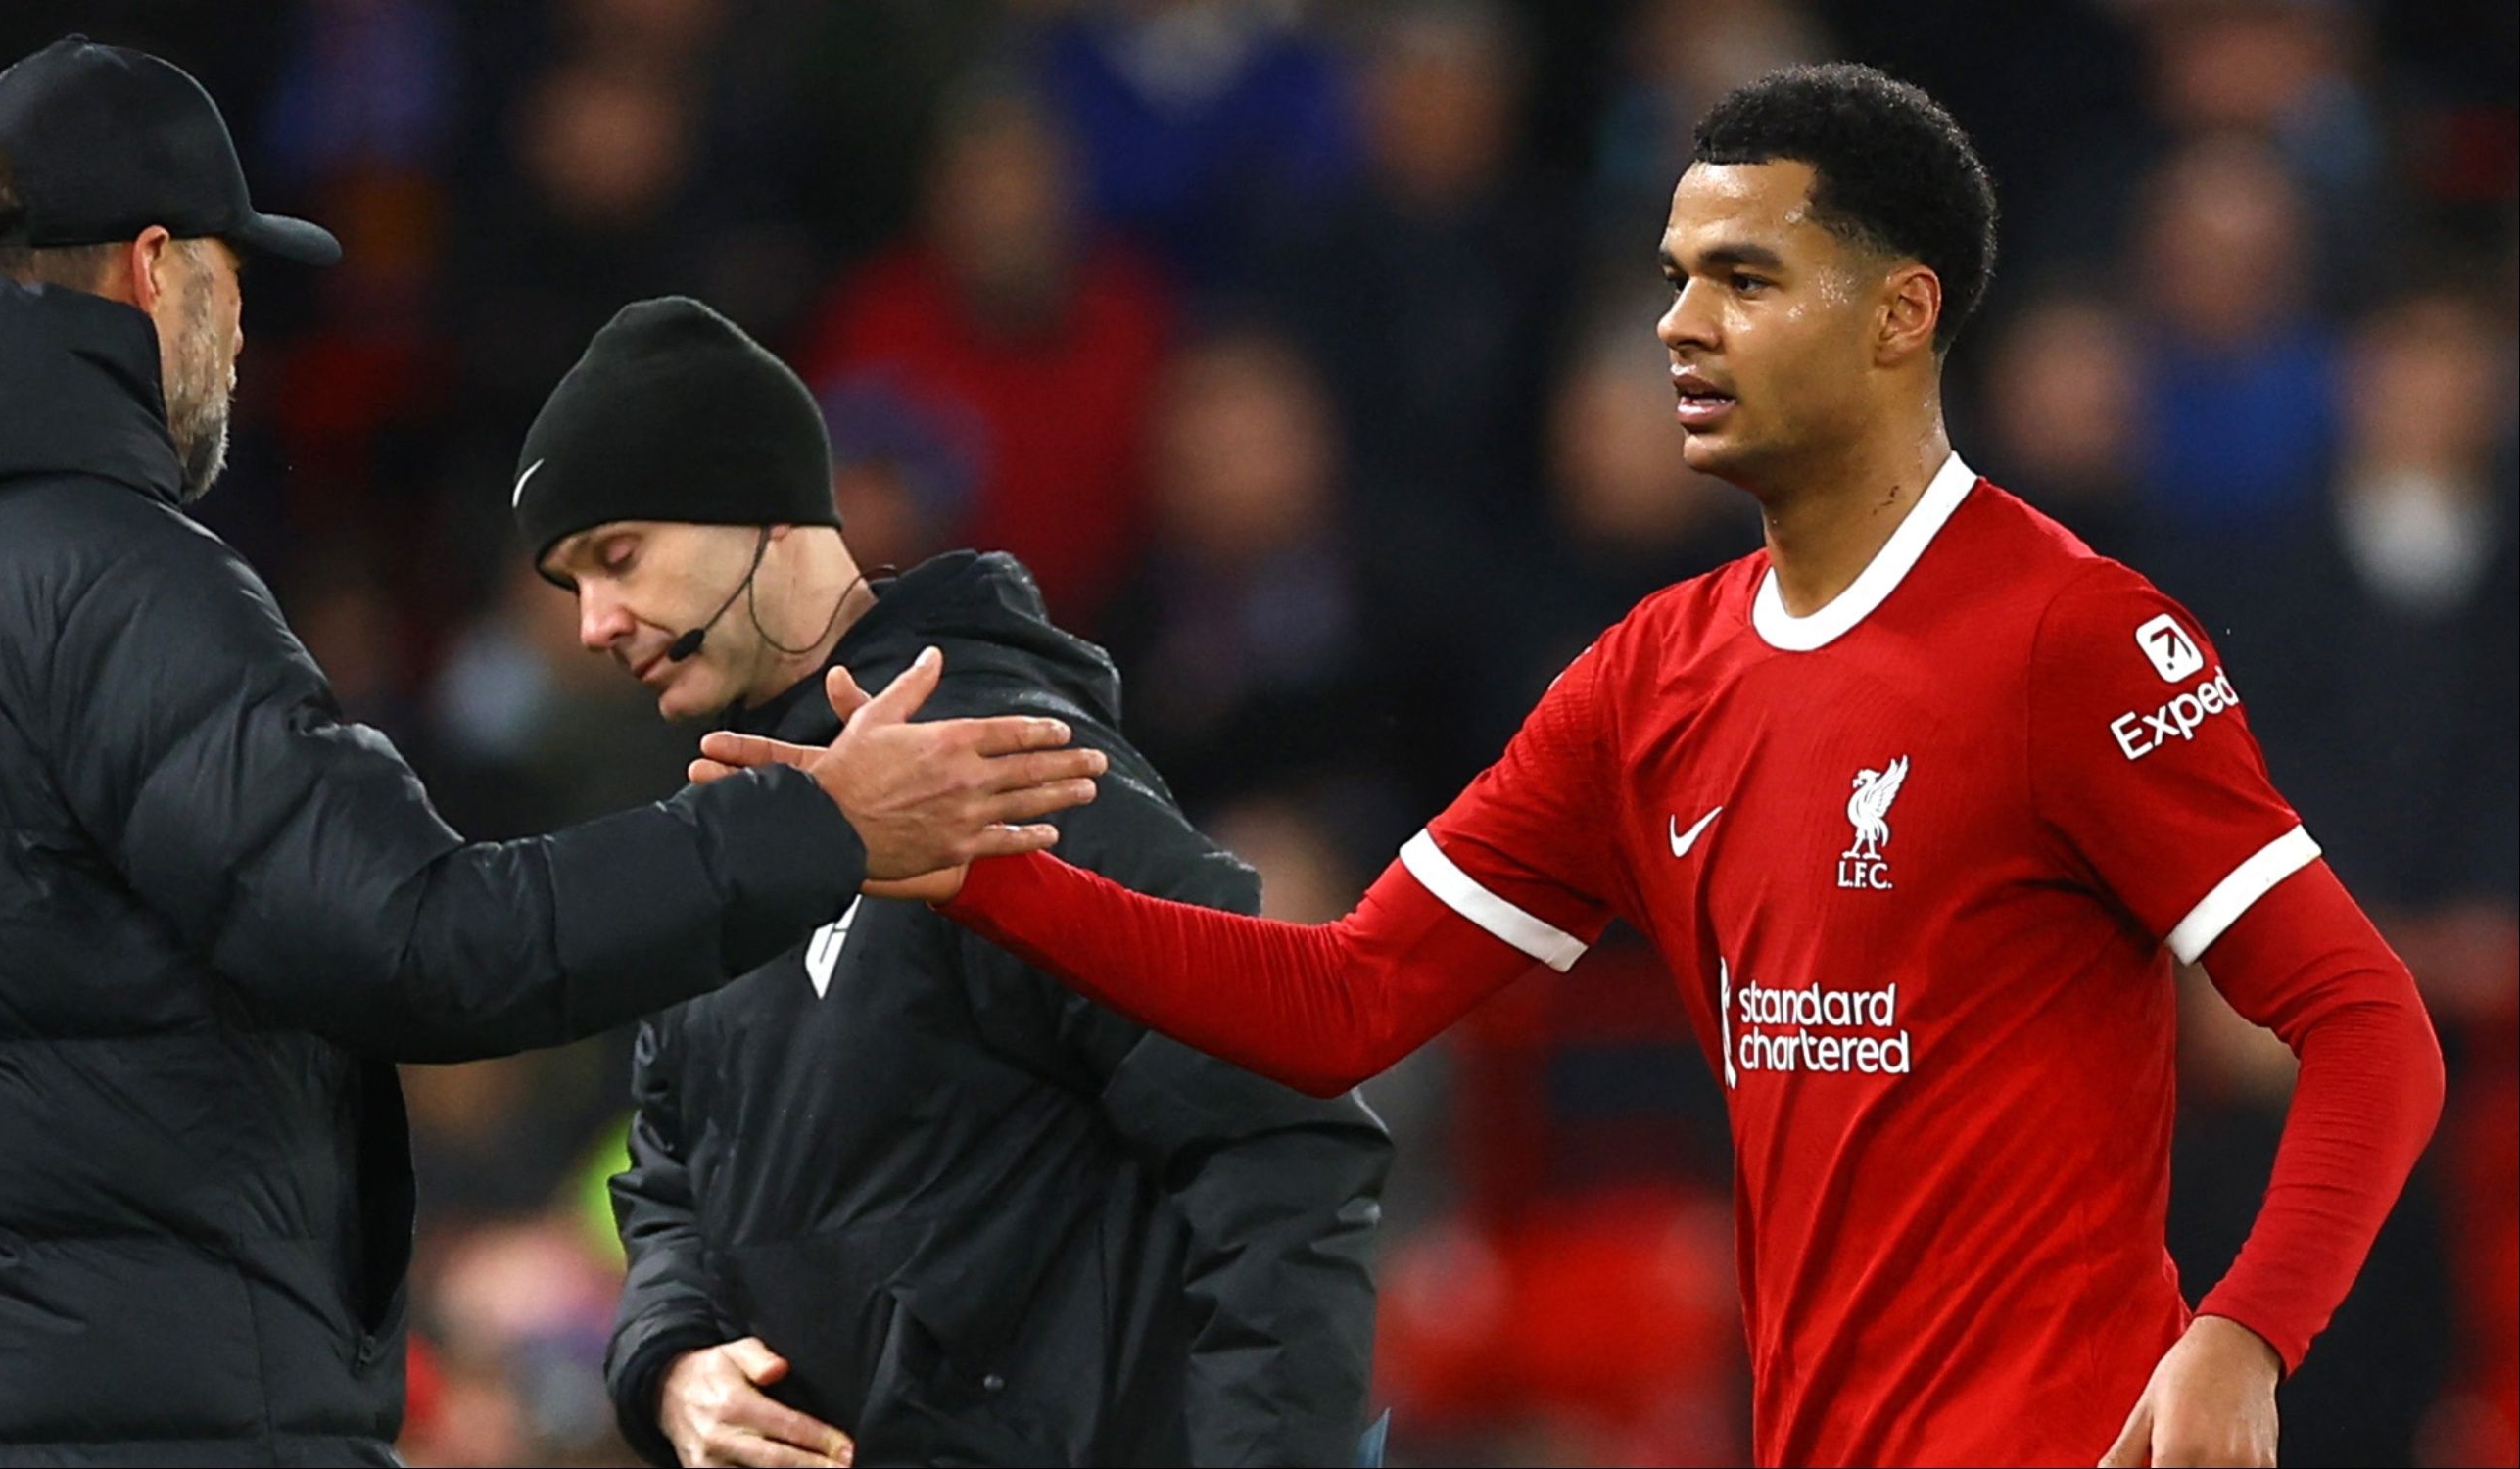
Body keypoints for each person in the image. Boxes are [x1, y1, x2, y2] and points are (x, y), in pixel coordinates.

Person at [697, 64, 2449, 1468]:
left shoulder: (2074, 638)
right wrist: (979, 875)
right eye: (1672, 277)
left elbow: (2369, 1025)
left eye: (1743, 278)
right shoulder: (1647, 679)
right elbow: (1347, 1000)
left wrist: (2242, 1334)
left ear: (1903, 315)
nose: (1678, 325)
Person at [0, 38, 1103, 1468]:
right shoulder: (128, 589)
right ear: (156, 267)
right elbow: (421, 942)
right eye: (238, 280)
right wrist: (820, 828)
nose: (245, 333)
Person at [508, 297, 1390, 1468]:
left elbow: (1284, 1134)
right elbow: (668, 1179)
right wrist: (668, 1364)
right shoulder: (725, 837)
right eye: (571, 585)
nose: (595, 625)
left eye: (618, 558)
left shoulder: (998, 766)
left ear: (767, 511)